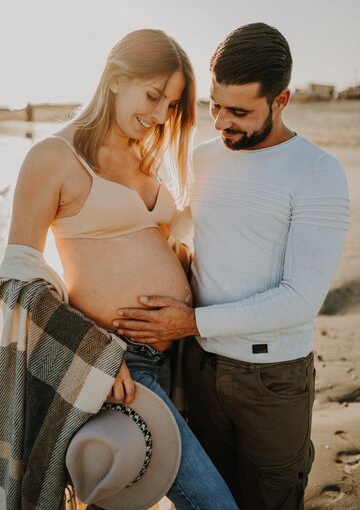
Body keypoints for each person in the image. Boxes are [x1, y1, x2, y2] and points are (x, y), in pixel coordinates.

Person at [112, 23, 350, 509]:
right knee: (206, 499)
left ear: (281, 100)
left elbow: (300, 299)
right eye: (215, 105)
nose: (221, 122)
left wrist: (190, 321)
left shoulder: (317, 173)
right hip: (197, 370)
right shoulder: (204, 158)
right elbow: (178, 231)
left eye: (239, 112)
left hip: (272, 380)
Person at [6, 29, 238, 509]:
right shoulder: (53, 156)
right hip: (119, 362)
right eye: (153, 96)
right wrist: (93, 355)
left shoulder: (146, 156)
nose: (158, 116)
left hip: (177, 354)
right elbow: (18, 274)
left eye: (170, 105)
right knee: (213, 503)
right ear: (114, 78)